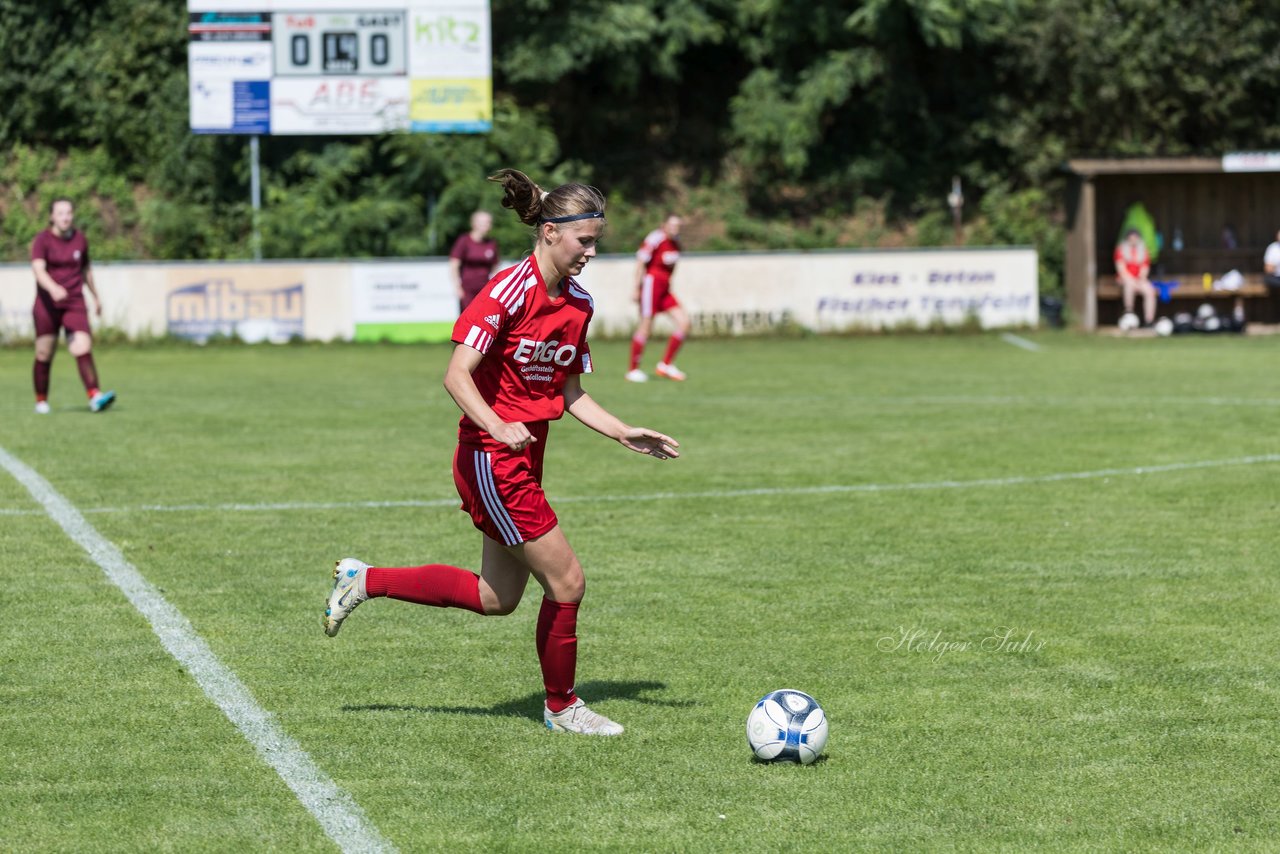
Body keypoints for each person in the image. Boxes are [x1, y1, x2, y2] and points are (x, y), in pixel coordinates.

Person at [323, 168, 680, 736]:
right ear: (549, 233)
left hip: (522, 457)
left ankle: (364, 580)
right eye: (584, 241)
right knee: (568, 583)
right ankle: (562, 707)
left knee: (496, 597)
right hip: (491, 457)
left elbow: (568, 393)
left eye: (596, 242)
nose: (591, 252)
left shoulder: (578, 305)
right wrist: (498, 422)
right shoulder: (508, 290)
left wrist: (621, 431)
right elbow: (456, 375)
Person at [30, 198, 116, 414]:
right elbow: (38, 270)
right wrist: (53, 288)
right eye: (60, 213)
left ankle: (94, 396)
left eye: (68, 213)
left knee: (82, 346)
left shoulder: (80, 240)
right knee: (44, 353)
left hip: (74, 302)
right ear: (52, 216)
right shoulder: (43, 240)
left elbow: (86, 270)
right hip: (48, 303)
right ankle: (41, 400)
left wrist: (96, 297)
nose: (65, 217)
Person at [627, 214, 690, 382]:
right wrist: (636, 288)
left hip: (665, 288)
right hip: (651, 284)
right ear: (664, 225)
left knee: (684, 323)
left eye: (678, 226)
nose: (675, 228)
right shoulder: (656, 238)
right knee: (646, 326)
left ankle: (665, 365)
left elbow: (673, 266)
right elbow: (641, 261)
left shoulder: (676, 242)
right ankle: (633, 370)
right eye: (672, 225)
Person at [449, 210, 500, 312]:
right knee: (467, 320)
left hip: (485, 290)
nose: (488, 226)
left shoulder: (491, 243)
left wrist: (495, 288)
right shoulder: (464, 241)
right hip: (467, 290)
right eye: (485, 223)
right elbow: (454, 265)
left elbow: (495, 268)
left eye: (489, 223)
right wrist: (457, 287)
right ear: (474, 224)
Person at [1113, 228, 1157, 327]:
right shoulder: (1120, 249)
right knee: (1129, 285)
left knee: (1150, 290)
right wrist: (1132, 281)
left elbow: (1144, 268)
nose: (1133, 239)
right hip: (1125, 279)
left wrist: (1140, 279)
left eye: (1135, 237)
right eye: (1131, 237)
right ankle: (1129, 313)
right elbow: (1121, 269)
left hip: (1139, 280)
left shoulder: (1143, 250)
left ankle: (1149, 320)